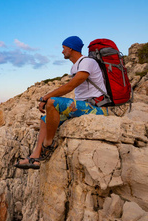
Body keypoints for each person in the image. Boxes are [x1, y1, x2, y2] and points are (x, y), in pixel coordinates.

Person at [15, 36, 109, 169]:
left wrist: (45, 97)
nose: (62, 51)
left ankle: (48, 145)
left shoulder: (87, 62)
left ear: (70, 48)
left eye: (63, 48)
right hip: (84, 106)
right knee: (44, 120)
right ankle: (35, 157)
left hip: (96, 108)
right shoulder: (75, 67)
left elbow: (70, 86)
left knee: (53, 102)